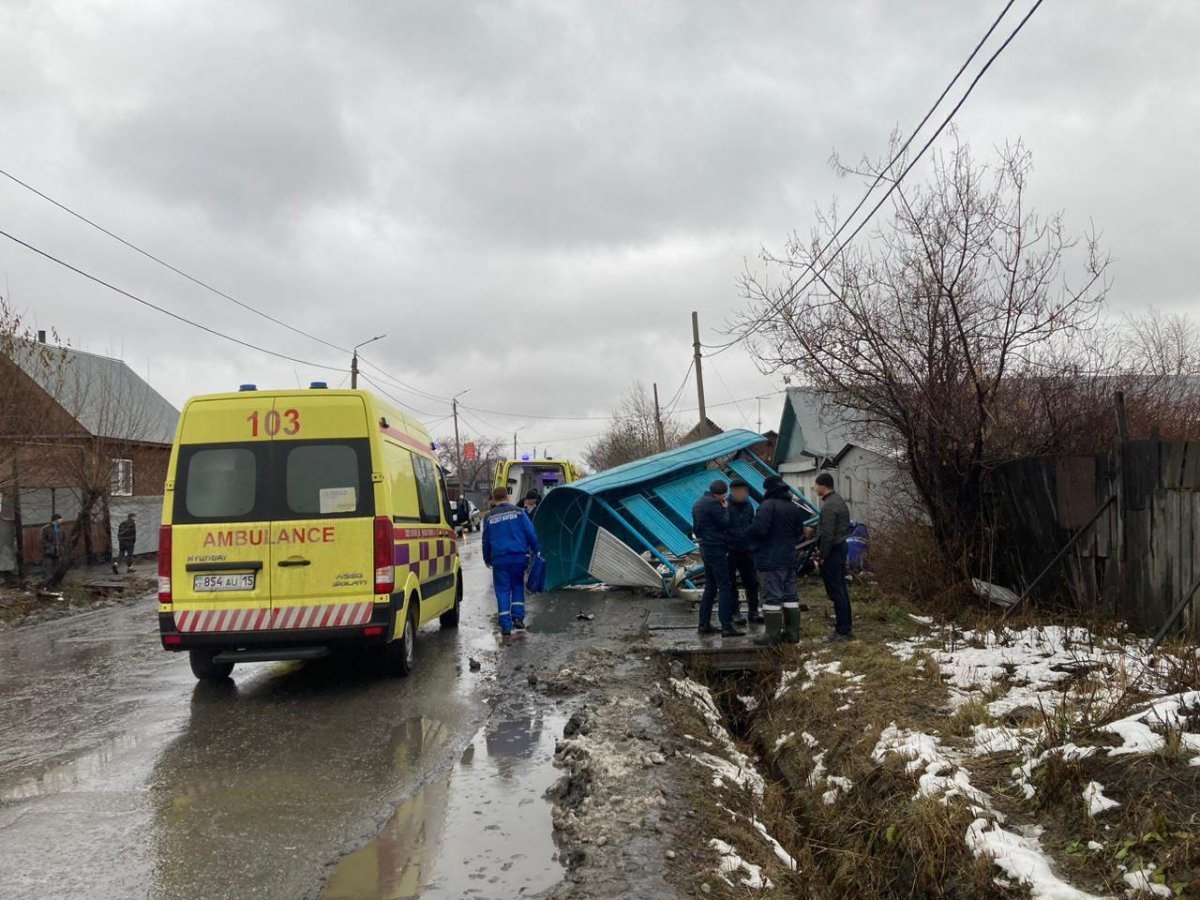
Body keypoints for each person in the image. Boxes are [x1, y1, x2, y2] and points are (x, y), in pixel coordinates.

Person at [750, 475, 806, 645]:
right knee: (790, 596)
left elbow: (758, 530)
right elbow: (799, 533)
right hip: (789, 558)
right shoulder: (793, 507)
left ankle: (772, 635)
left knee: (772, 597)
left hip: (770, 559)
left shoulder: (767, 506)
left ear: (767, 489)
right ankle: (792, 633)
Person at [482, 485, 540, 636]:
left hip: (499, 559)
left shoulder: (489, 517)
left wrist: (487, 559)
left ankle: (506, 626)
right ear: (507, 497)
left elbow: (486, 541)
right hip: (518, 557)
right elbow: (531, 533)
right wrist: (536, 550)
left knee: (502, 590)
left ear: (494, 499)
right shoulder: (519, 512)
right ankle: (518, 618)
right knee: (517, 586)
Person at [692, 479, 742, 637]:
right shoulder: (714, 504)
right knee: (725, 585)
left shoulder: (699, 503)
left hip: (704, 547)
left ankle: (704, 623)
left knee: (710, 585)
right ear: (722, 494)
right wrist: (726, 509)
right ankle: (727, 626)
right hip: (715, 548)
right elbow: (724, 523)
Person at [813, 472, 853, 642]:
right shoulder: (839, 501)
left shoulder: (829, 506)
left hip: (833, 550)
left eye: (816, 485)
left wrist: (822, 555)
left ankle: (842, 630)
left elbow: (827, 534)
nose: (815, 488)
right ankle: (845, 627)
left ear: (823, 486)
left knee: (837, 591)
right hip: (840, 547)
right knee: (841, 589)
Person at [726, 478, 761, 626]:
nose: (741, 494)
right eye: (738, 491)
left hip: (746, 549)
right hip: (730, 549)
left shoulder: (749, 506)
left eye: (744, 491)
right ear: (732, 492)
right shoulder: (725, 506)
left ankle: (753, 611)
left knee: (752, 581)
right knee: (731, 583)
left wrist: (752, 541)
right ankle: (735, 612)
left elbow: (751, 524)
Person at [40, 514, 70, 590]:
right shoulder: (46, 528)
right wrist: (49, 546)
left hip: (59, 552)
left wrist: (63, 547)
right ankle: (46, 585)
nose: (61, 520)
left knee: (57, 569)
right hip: (49, 552)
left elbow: (65, 539)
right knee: (48, 570)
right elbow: (42, 540)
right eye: (60, 519)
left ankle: (54, 585)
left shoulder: (61, 528)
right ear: (55, 519)